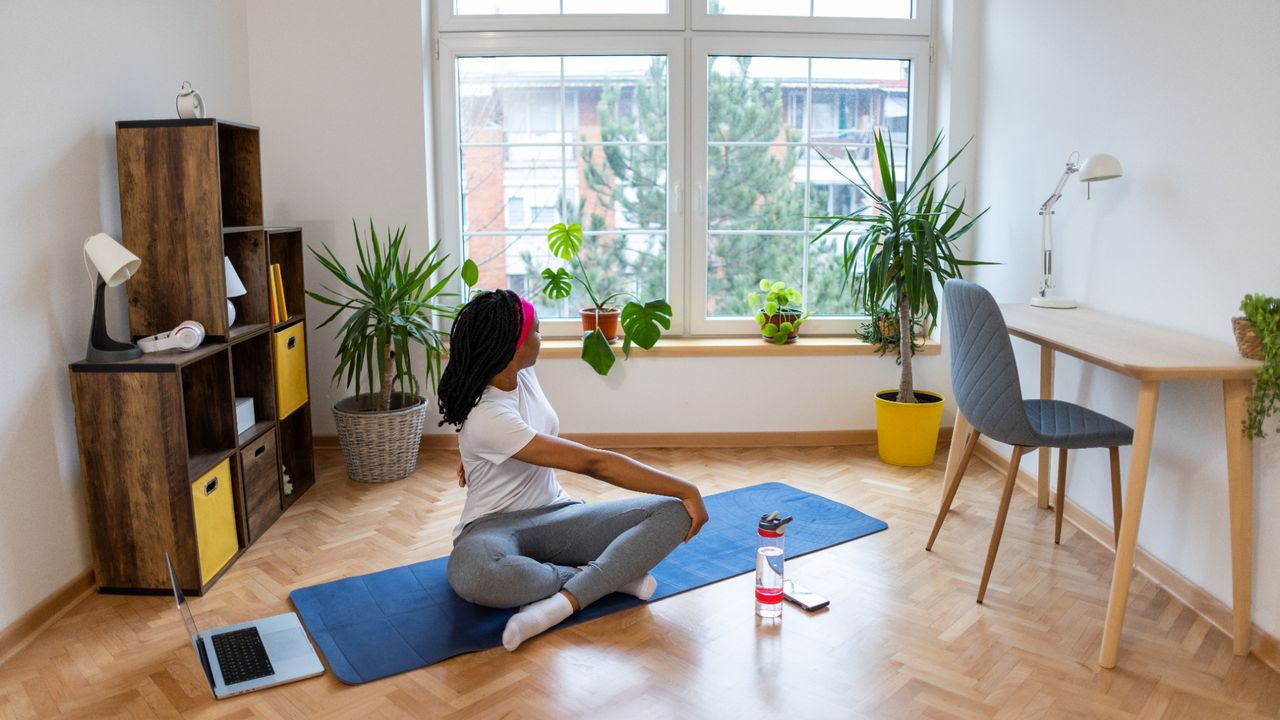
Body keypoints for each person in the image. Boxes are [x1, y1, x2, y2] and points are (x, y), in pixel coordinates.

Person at [436, 289, 709, 651]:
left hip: (558, 517)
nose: (540, 335)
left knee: (673, 514)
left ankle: (557, 606)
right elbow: (593, 462)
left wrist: (471, 454)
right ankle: (605, 578)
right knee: (475, 574)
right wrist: (687, 488)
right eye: (535, 330)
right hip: (492, 530)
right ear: (512, 346)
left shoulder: (519, 373)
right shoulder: (487, 416)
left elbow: (490, 321)